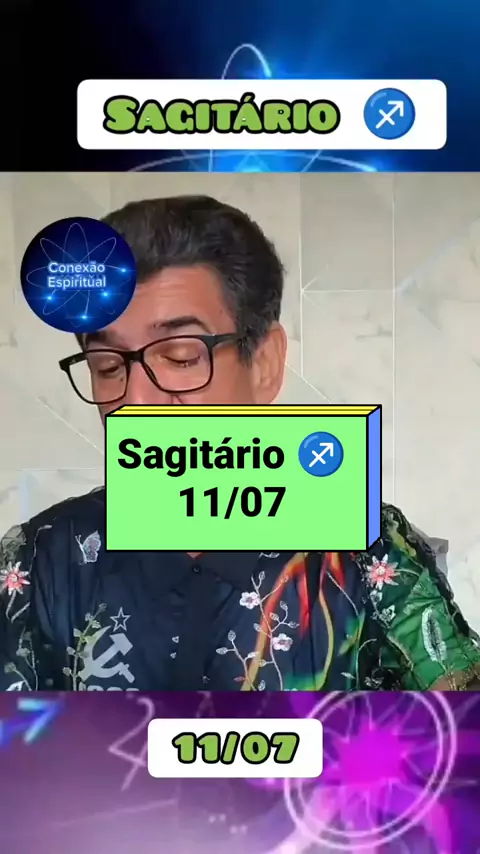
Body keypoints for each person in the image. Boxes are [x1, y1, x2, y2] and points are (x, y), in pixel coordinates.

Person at [1, 195, 479, 692]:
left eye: (180, 357)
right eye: (107, 365)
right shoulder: (39, 561)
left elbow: (461, 727)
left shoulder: (364, 548)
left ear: (264, 364)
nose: (134, 399)